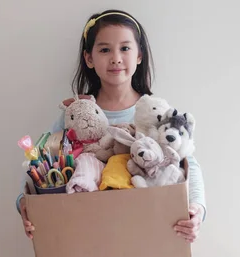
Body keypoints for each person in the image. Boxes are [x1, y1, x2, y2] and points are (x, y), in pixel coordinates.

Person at [15, 9, 207, 243]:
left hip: (145, 233)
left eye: (125, 48)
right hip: (88, 236)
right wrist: (25, 202)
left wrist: (197, 209)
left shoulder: (158, 114)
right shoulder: (74, 114)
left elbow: (190, 165)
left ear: (139, 55)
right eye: (105, 49)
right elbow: (39, 164)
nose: (116, 57)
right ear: (89, 58)